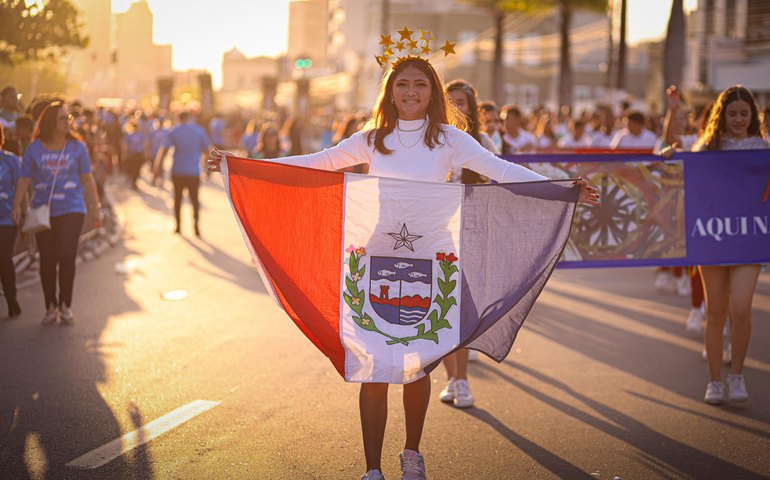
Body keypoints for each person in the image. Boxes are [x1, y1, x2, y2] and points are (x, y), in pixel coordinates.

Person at [209, 52, 598, 480]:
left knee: (417, 364)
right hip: (375, 260)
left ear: (432, 92)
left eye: (420, 84)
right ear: (390, 93)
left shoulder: (450, 139)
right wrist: (243, 167)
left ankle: (412, 454)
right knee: (372, 365)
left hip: (432, 261)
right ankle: (372, 468)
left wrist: (562, 188)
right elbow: (315, 163)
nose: (411, 92)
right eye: (402, 85)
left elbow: (501, 171)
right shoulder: (372, 138)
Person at [693, 85, 769, 405]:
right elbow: (681, 172)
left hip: (748, 238)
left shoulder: (763, 149)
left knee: (741, 308)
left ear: (753, 116)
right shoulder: (707, 148)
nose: (738, 118)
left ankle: (736, 375)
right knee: (716, 312)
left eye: (744, 113)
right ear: (721, 115)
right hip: (711, 237)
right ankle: (714, 381)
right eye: (732, 113)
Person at [11, 101, 102, 325]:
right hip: (44, 210)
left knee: (66, 255)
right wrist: (16, 206)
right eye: (63, 118)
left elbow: (87, 178)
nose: (67, 122)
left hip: (72, 208)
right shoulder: (35, 149)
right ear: (51, 122)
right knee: (48, 259)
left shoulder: (77, 147)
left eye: (68, 118)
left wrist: (96, 207)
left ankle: (66, 305)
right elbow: (24, 178)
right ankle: (50, 307)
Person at [153, 111, 210, 237]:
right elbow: (207, 151)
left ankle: (178, 226)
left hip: (178, 170)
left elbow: (164, 150)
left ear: (178, 118)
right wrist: (207, 168)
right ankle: (196, 227)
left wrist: (157, 167)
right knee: (194, 200)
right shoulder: (198, 131)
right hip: (193, 171)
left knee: (177, 199)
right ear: (190, 117)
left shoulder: (174, 131)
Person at [0, 124, 21, 318]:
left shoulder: (11, 161)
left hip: (7, 219)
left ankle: (11, 297)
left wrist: (20, 208)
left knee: (4, 258)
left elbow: (21, 188)